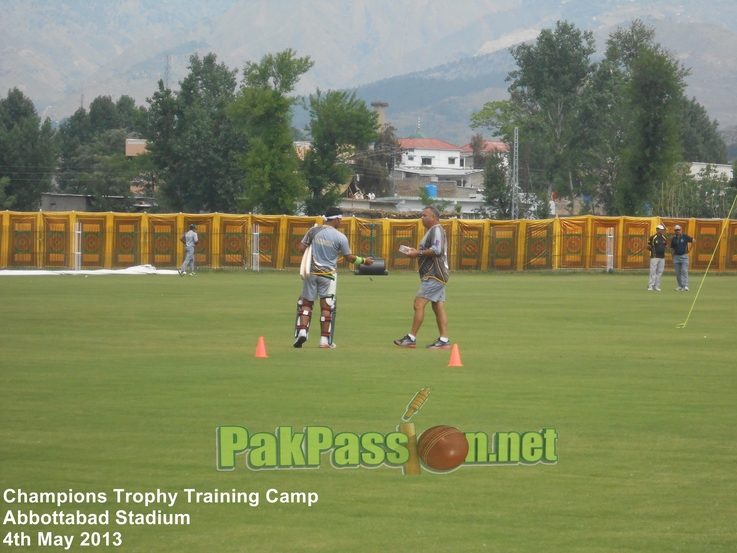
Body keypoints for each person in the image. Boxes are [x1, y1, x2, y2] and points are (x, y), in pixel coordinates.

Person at [294, 207, 373, 349]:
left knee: (306, 304)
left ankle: (302, 332)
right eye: (340, 220)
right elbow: (349, 258)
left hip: (311, 273)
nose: (340, 222)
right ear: (336, 219)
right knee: (327, 307)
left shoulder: (313, 231)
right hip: (328, 276)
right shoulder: (340, 237)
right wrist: (364, 261)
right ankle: (324, 341)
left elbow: (301, 248)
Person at [394, 206, 451, 349]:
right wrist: (416, 252)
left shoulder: (436, 229)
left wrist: (418, 254)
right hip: (437, 275)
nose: (422, 218)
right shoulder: (432, 231)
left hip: (434, 274)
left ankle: (411, 338)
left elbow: (437, 250)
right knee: (437, 307)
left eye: (424, 215)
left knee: (418, 304)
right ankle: (444, 340)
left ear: (433, 217)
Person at [671, 224, 694, 291]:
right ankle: (680, 285)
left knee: (684, 271)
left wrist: (690, 249)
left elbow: (693, 240)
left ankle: (686, 285)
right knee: (677, 272)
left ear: (680, 230)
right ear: (674, 231)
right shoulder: (673, 239)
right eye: (676, 230)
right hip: (676, 256)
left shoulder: (685, 237)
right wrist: (673, 257)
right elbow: (672, 249)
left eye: (678, 230)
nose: (677, 231)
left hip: (684, 256)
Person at [646, 224, 667, 291]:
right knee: (653, 272)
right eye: (661, 229)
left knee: (659, 272)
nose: (662, 231)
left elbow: (665, 245)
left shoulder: (664, 237)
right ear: (657, 230)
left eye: (662, 229)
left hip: (662, 257)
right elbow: (648, 247)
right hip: (654, 257)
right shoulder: (653, 237)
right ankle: (650, 286)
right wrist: (653, 251)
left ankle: (656, 286)